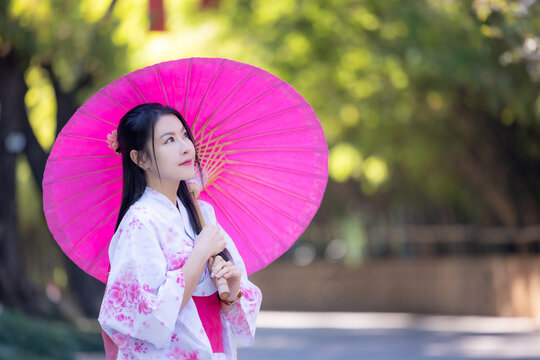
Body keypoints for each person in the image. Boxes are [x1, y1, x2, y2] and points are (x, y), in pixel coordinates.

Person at [97, 103, 262, 360]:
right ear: (140, 158)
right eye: (169, 140)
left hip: (215, 349)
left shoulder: (203, 213)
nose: (186, 147)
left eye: (184, 135)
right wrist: (199, 256)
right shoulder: (140, 222)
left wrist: (232, 290)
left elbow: (233, 308)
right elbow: (147, 316)